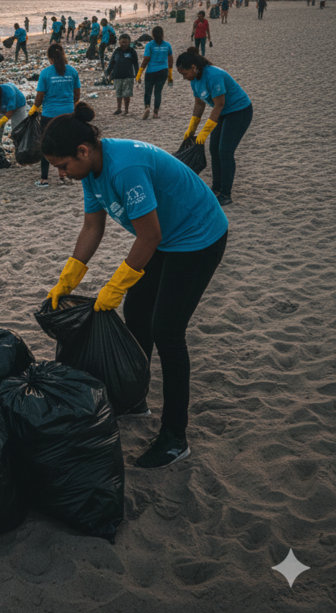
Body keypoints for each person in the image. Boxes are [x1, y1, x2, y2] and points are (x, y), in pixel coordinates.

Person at [41, 103, 229, 468]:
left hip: (197, 237)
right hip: (165, 238)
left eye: (63, 166)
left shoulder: (125, 167)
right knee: (137, 315)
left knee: (167, 331)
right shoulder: (91, 172)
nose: (62, 174)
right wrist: (68, 279)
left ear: (83, 150)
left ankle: (175, 436)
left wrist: (116, 285)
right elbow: (92, 227)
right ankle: (133, 398)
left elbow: (149, 235)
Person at [176, 50, 252, 207]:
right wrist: (192, 128)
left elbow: (219, 104)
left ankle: (226, 193)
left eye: (185, 73)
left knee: (225, 151)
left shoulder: (213, 76)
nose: (184, 77)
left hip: (239, 111)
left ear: (194, 67)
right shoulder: (194, 80)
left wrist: (205, 131)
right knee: (213, 149)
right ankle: (216, 187)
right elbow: (199, 104)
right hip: (223, 112)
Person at [30, 43, 80, 187]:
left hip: (49, 114)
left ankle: (44, 179)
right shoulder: (72, 71)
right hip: (68, 114)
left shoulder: (45, 73)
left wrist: (33, 109)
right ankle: (64, 176)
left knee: (46, 146)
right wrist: (72, 107)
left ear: (49, 57)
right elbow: (77, 95)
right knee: (64, 144)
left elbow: (40, 96)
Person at [135, 26, 173, 120]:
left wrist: (139, 73)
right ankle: (155, 113)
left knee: (148, 91)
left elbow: (146, 59)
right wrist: (170, 76)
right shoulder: (167, 45)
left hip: (151, 71)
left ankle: (147, 107)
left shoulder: (149, 45)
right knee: (158, 92)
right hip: (163, 71)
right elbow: (171, 60)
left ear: (152, 35)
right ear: (162, 34)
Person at [105, 33, 139, 116]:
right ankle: (119, 109)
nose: (124, 44)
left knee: (127, 94)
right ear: (119, 42)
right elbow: (112, 63)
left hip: (128, 75)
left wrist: (138, 75)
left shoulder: (132, 51)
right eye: (122, 42)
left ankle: (126, 110)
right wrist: (108, 72)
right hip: (117, 75)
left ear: (129, 42)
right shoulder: (117, 51)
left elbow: (136, 64)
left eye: (126, 42)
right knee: (118, 93)